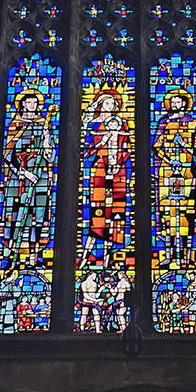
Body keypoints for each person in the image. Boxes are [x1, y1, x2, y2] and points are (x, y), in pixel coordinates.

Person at [0, 88, 56, 268]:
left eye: (35, 102)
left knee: (37, 215)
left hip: (40, 176)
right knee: (14, 214)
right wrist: (24, 173)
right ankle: (10, 253)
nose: (33, 105)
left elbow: (50, 157)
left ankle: (34, 253)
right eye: (29, 102)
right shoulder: (15, 125)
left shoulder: (43, 124)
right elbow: (8, 154)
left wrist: (47, 143)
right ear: (22, 104)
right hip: (18, 178)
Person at [79, 90, 131, 270]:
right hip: (99, 171)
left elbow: (127, 148)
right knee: (98, 212)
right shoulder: (92, 125)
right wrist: (103, 141)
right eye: (108, 104)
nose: (112, 107)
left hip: (119, 174)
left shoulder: (122, 125)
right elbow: (86, 152)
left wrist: (119, 162)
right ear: (100, 104)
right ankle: (87, 256)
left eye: (114, 105)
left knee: (115, 215)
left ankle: (109, 259)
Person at [152, 89, 196, 268]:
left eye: (177, 101)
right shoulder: (163, 122)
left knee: (186, 214)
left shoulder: (194, 123)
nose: (174, 104)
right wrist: (169, 160)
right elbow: (156, 146)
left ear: (184, 103)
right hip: (166, 172)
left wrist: (184, 146)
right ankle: (168, 254)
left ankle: (187, 256)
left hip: (186, 172)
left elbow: (195, 149)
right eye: (171, 101)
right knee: (168, 214)